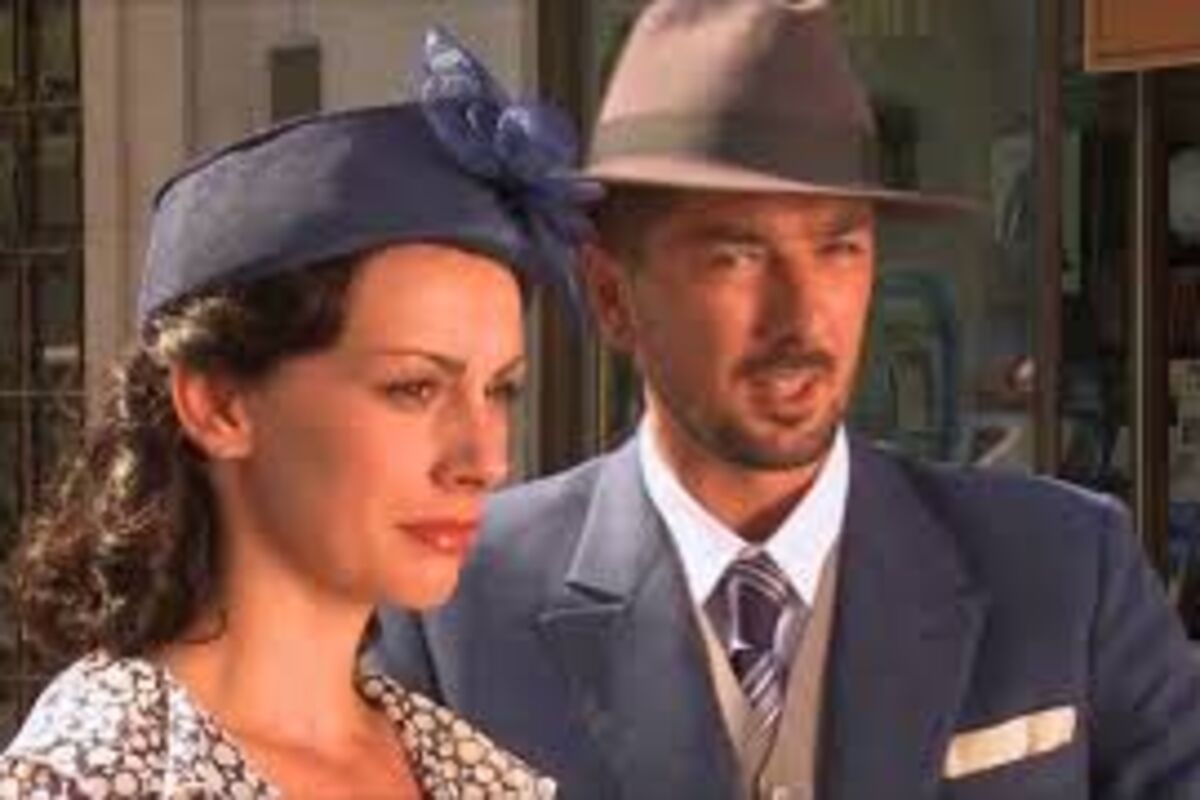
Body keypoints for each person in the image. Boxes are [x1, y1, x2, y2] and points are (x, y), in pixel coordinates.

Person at [373, 2, 1200, 799]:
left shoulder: (1064, 568)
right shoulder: (455, 611)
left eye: (838, 250)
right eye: (736, 257)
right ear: (612, 297)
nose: (802, 317)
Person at [0, 28, 589, 799]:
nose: (485, 460)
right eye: (413, 388)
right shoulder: (91, 777)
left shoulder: (485, 779)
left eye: (499, 390)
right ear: (217, 405)